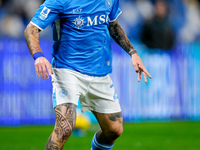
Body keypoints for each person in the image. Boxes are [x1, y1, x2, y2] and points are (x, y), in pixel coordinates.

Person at [24, 0, 152, 149]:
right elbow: (31, 28)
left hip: (99, 72)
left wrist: (133, 53)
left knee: (114, 130)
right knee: (64, 128)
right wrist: (38, 55)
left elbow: (113, 25)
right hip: (67, 69)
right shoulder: (60, 1)